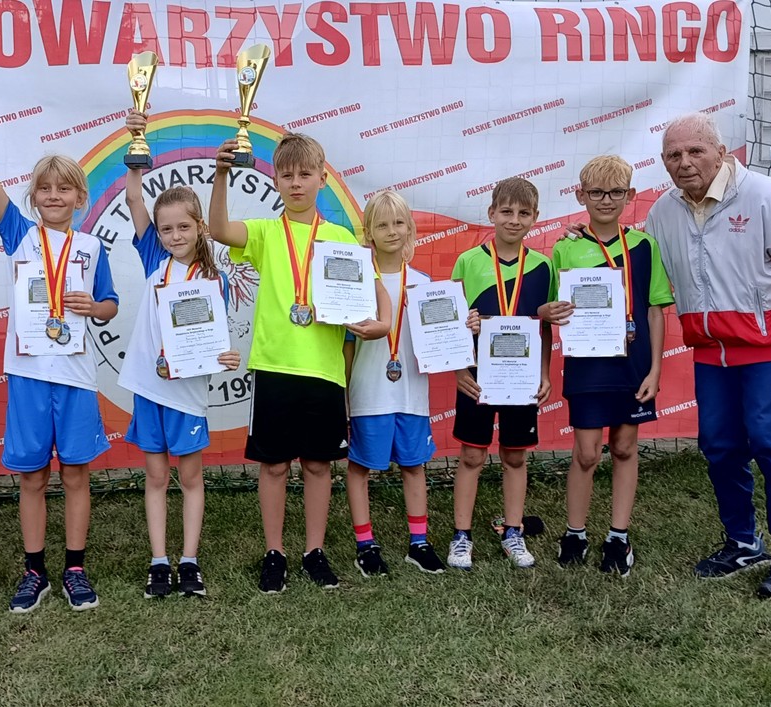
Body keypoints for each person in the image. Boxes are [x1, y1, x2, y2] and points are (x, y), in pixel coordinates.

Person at [0, 81, 119, 612]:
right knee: (31, 477)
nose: (54, 196)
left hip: (75, 377)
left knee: (75, 475)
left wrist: (93, 308)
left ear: (80, 198)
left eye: (65, 189)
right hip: (29, 376)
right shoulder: (19, 234)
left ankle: (74, 567)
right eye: (45, 189)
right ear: (33, 198)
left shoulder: (92, 247)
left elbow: (110, 305)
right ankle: (35, 571)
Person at [647, 113, 771, 598]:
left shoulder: (766, 196)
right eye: (673, 155)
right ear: (664, 162)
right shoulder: (662, 212)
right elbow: (636, 269)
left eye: (695, 151)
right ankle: (743, 543)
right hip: (711, 354)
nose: (685, 162)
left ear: (721, 151)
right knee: (721, 448)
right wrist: (583, 243)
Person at [208, 132, 390, 593]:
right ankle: (275, 552)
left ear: (322, 179)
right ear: (275, 180)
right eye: (286, 175)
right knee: (273, 466)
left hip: (325, 370)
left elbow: (373, 288)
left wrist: (383, 323)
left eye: (305, 174)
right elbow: (219, 230)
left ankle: (314, 551)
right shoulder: (266, 233)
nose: (295, 183)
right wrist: (222, 174)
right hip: (274, 367)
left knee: (318, 465)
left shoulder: (340, 237)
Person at [119, 112, 240, 598]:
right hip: (150, 388)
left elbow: (213, 342)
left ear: (200, 227)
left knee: (190, 477)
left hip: (187, 393)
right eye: (166, 228)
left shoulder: (215, 280)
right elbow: (134, 198)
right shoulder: (154, 258)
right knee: (155, 476)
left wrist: (224, 358)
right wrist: (136, 143)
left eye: (183, 227)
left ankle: (189, 561)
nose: (174, 235)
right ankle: (159, 561)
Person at [540, 156, 674, 576]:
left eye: (616, 192)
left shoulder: (644, 245)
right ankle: (575, 533)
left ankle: (618, 536)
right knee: (585, 453)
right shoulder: (566, 247)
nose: (606, 200)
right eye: (596, 192)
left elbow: (655, 309)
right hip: (586, 363)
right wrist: (550, 311)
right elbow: (551, 307)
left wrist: (655, 370)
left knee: (624, 447)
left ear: (629, 195)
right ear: (581, 195)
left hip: (633, 364)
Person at [449, 178, 555, 570]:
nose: (514, 220)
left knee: (514, 455)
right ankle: (462, 536)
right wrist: (459, 369)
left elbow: (545, 326)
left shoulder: (544, 266)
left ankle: (513, 531)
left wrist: (544, 372)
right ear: (491, 213)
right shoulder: (468, 261)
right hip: (477, 377)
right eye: (506, 211)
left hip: (522, 378)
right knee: (472, 455)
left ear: (535, 217)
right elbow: (452, 323)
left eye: (523, 213)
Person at [344, 190, 445, 576]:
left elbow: (439, 340)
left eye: (398, 223)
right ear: (368, 232)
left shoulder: (422, 284)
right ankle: (365, 545)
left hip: (410, 393)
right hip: (368, 393)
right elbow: (347, 345)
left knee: (414, 465)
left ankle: (419, 543)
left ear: (410, 229)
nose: (391, 231)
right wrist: (344, 393)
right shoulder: (356, 282)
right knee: (360, 466)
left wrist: (459, 327)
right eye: (382, 224)